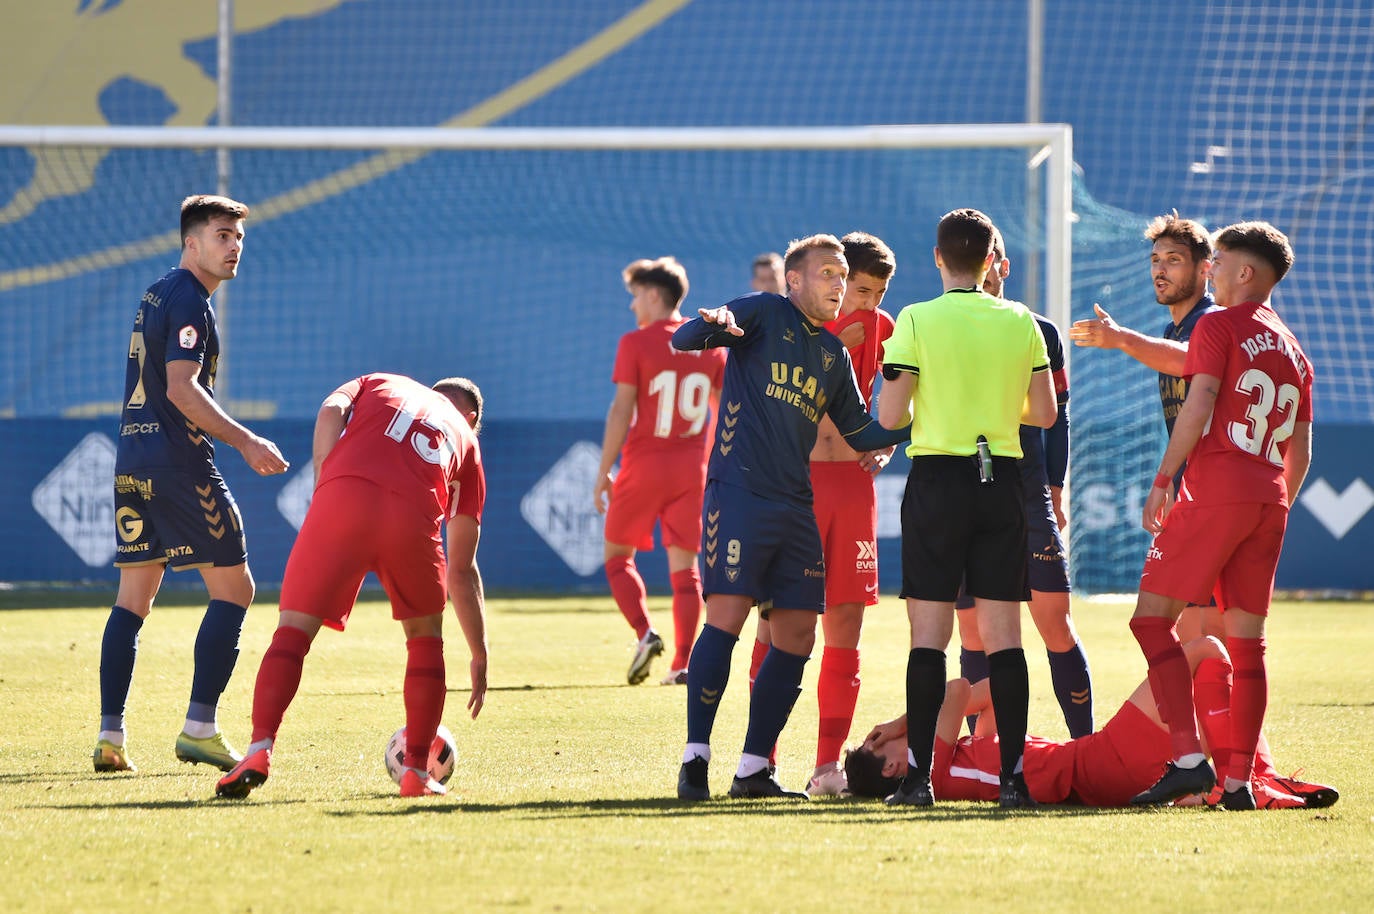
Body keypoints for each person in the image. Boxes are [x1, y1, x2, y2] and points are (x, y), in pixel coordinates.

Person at [670, 233, 911, 801]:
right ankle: (695, 760)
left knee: (799, 631)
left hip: (796, 506)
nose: (837, 284)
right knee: (727, 619)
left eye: (841, 274)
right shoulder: (762, 312)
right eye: (827, 273)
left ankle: (754, 770)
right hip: (741, 495)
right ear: (794, 279)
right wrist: (715, 326)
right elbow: (686, 338)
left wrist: (924, 426)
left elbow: (862, 431)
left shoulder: (831, 357)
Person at [215, 373, 489, 799]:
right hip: (413, 517)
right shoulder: (467, 444)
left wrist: (325, 475)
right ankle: (416, 770)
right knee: (424, 640)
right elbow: (462, 569)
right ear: (469, 417)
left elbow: (331, 409)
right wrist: (478, 651)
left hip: (341, 499)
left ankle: (258, 750)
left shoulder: (382, 381)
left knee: (292, 632)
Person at [96, 194, 290, 775]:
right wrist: (247, 441)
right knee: (236, 591)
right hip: (178, 463)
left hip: (132, 458)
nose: (234, 246)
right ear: (192, 242)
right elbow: (182, 389)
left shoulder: (157, 291)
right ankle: (199, 728)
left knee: (134, 598)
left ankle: (110, 736)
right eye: (222, 235)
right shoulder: (189, 301)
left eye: (238, 237)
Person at [1126, 221, 1312, 811]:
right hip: (1269, 498)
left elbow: (1200, 403)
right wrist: (1272, 501)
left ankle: (1186, 761)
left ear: (1244, 273)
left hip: (1216, 489)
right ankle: (1239, 785)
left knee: (1151, 620)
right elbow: (1301, 451)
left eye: (1220, 261)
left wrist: (1163, 480)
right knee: (1249, 643)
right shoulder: (1296, 350)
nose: (1213, 270)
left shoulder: (1218, 324)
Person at [877, 208, 1057, 809]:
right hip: (1000, 479)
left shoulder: (914, 319)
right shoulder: (1021, 320)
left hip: (936, 481)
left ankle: (917, 781)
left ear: (936, 258)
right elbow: (1045, 413)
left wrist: (932, 405)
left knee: (928, 638)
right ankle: (1014, 780)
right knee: (1005, 639)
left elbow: (888, 417)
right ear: (990, 261)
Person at [845, 636, 1338, 810]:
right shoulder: (933, 773)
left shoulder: (965, 765)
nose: (893, 738)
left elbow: (992, 693)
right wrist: (896, 722)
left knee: (1218, 705)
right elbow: (954, 691)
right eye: (882, 745)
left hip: (1101, 772)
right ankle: (1254, 781)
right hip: (1101, 762)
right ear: (892, 769)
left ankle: (1252, 781)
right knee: (1204, 653)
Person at [750, 231, 897, 797]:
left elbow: (901, 396)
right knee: (778, 627)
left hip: (853, 489)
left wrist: (886, 442)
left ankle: (828, 766)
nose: (868, 303)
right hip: (798, 484)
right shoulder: (796, 328)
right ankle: (759, 759)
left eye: (878, 292)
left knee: (845, 628)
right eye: (858, 288)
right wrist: (836, 335)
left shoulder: (885, 329)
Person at [955, 225, 1093, 739]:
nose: (981, 272)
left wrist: (1055, 487)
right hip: (964, 496)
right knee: (973, 635)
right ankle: (980, 751)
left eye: (988, 262)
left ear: (1002, 267)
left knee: (1054, 622)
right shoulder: (942, 326)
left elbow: (1057, 418)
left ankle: (1086, 745)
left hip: (1027, 493)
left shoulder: (1041, 331)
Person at [1067, 212, 1223, 640]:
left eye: (1174, 259)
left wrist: (1120, 338)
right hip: (1192, 488)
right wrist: (1172, 477)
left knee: (1195, 626)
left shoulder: (1213, 321)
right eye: (1155, 259)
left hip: (1217, 492)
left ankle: (1210, 705)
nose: (1160, 269)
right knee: (1174, 623)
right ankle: (1196, 706)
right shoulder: (1171, 328)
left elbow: (1189, 359)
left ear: (1205, 268)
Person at [593, 257, 726, 686]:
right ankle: (681, 664)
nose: (633, 306)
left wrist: (602, 472)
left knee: (616, 557)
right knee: (686, 569)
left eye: (635, 297)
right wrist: (709, 464)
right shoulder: (710, 345)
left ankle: (644, 632)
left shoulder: (636, 342)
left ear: (653, 295)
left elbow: (621, 410)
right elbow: (724, 415)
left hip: (643, 465)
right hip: (691, 470)